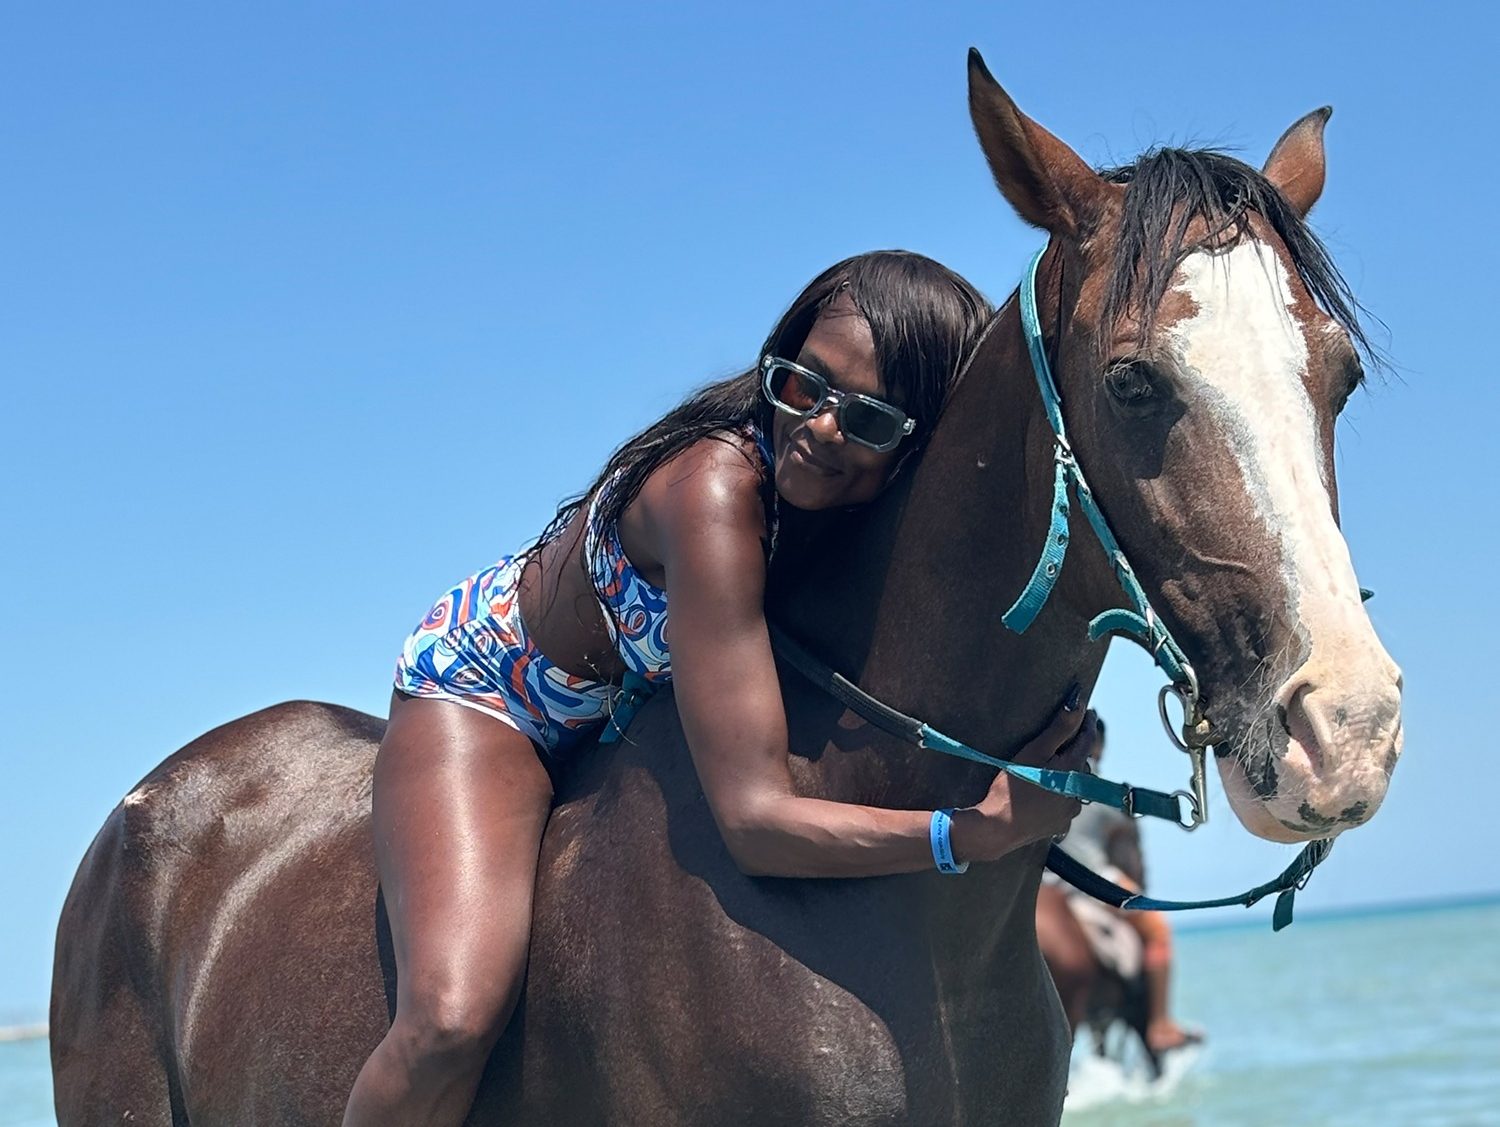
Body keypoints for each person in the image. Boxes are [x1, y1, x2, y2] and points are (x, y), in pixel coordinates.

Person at [343, 251, 1099, 1126]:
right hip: (499, 694)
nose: (817, 427)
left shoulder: (844, 518)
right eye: (802, 385)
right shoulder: (716, 489)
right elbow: (754, 822)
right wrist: (973, 831)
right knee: (448, 1015)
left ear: (916, 444)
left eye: (867, 419)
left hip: (629, 706)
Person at [1042, 718, 1201, 1055]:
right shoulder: (1107, 792)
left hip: (1040, 881)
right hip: (1090, 881)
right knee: (1157, 927)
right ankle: (1160, 1024)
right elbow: (1128, 856)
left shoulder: (1045, 782)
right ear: (1097, 746)